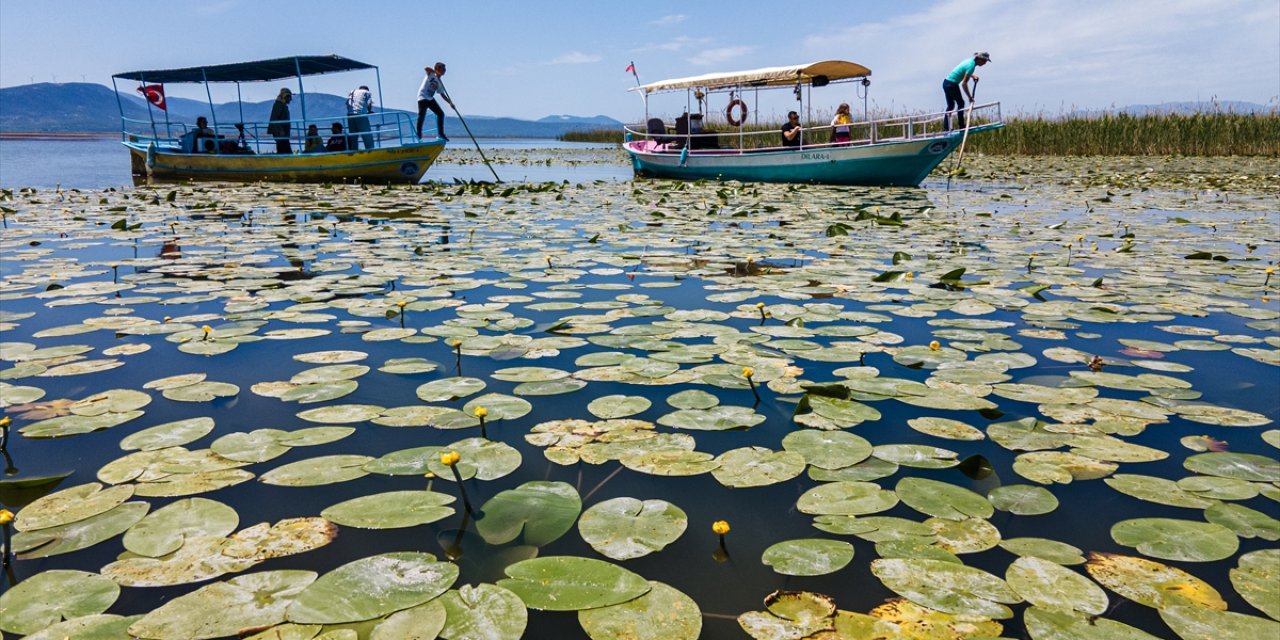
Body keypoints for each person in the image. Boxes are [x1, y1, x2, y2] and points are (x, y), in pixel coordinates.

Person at [943, 51, 989, 131]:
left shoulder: (969, 61)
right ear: (980, 59)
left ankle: (946, 128)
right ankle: (961, 126)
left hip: (946, 82)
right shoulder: (971, 66)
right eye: (985, 61)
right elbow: (964, 84)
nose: (985, 63)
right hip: (952, 84)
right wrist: (970, 97)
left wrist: (972, 75)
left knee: (950, 106)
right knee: (961, 103)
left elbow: (963, 71)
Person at [416, 62, 453, 140]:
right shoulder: (431, 74)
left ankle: (441, 134)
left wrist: (450, 103)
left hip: (430, 98)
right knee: (422, 115)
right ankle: (418, 134)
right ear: (437, 69)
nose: (444, 70)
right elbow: (426, 68)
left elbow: (442, 94)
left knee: (440, 114)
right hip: (422, 96)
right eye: (443, 69)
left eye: (445, 69)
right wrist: (436, 72)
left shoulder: (439, 82)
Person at [346, 84, 375, 150]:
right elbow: (369, 103)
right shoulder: (366, 92)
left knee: (353, 136)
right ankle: (370, 151)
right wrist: (369, 111)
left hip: (350, 115)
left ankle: (353, 151)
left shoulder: (352, 92)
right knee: (367, 135)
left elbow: (347, 103)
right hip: (360, 115)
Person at [267, 88, 293, 153]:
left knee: (283, 150)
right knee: (285, 151)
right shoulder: (278, 105)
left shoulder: (282, 105)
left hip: (283, 133)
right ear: (285, 96)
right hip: (280, 133)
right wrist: (280, 130)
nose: (290, 99)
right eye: (289, 97)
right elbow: (274, 118)